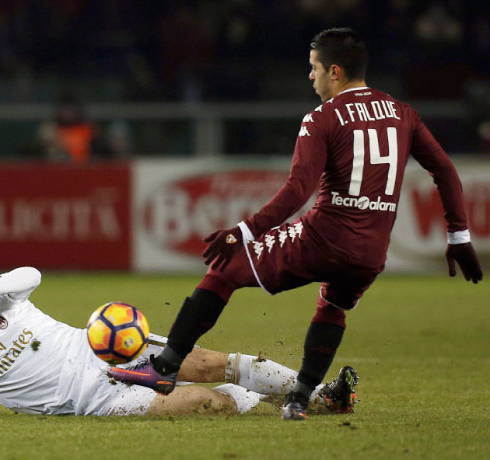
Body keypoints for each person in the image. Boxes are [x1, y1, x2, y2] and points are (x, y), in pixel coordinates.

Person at [109, 27, 483, 420]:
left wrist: (245, 230)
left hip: (323, 237)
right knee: (333, 306)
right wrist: (458, 235)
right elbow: (444, 168)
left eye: (314, 68)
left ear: (334, 71)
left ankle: (165, 368)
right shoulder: (402, 113)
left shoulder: (323, 117)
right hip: (371, 251)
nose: (310, 76)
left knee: (223, 270)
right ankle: (300, 398)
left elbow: (297, 188)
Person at [0, 243, 356, 418]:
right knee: (208, 402)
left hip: (104, 347)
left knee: (212, 361)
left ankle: (316, 394)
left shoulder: (4, 292)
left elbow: (31, 273)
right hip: (92, 399)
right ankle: (272, 405)